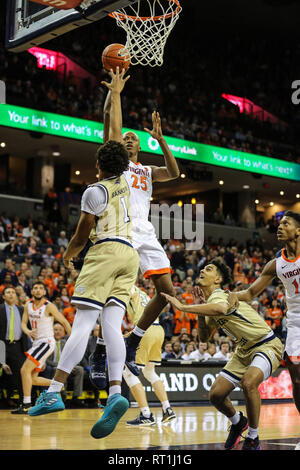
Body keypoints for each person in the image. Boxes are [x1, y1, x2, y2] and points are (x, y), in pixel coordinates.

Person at [28, 139, 139, 441]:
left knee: (84, 324)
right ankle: (115, 391)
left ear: (99, 165)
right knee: (112, 326)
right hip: (130, 256)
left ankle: (54, 391)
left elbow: (82, 231)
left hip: (105, 251)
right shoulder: (127, 181)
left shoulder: (95, 190)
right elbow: (116, 142)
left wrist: (67, 255)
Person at [98, 68, 180, 375]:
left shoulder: (146, 171)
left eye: (134, 138)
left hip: (146, 230)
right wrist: (115, 94)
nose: (129, 139)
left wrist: (162, 141)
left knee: (167, 292)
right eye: (126, 137)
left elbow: (173, 173)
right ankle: (103, 348)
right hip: (122, 229)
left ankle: (135, 339)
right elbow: (114, 129)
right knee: (115, 290)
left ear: (140, 147)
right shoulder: (116, 162)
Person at [162, 257, 283, 450]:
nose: (202, 271)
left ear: (218, 279)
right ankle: (237, 423)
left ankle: (253, 437)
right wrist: (201, 312)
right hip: (243, 351)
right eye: (202, 269)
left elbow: (221, 308)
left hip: (266, 344)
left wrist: (184, 307)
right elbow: (203, 338)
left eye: (208, 269)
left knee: (249, 383)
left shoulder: (219, 295)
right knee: (216, 395)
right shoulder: (209, 302)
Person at [228, 211, 300, 430]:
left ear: (298, 230)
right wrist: (226, 295)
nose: (280, 227)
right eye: (279, 224)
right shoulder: (276, 263)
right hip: (296, 322)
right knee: (297, 378)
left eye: (285, 223)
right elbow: (250, 294)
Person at [11, 282, 71, 414]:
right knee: (32, 379)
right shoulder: (28, 304)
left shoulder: (49, 306)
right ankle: (58, 385)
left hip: (46, 342)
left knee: (24, 370)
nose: (38, 290)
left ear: (44, 292)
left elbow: (64, 322)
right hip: (37, 343)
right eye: (35, 288)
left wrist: (73, 340)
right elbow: (23, 324)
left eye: (41, 288)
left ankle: (26, 404)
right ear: (31, 291)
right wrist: (28, 332)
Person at [122, 286, 176, 426]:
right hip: (157, 329)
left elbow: (131, 293)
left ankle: (146, 414)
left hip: (144, 329)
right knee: (149, 371)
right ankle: (167, 409)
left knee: (129, 373)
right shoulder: (144, 293)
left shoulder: (127, 286)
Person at [44, 322, 84, 407]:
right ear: (51, 331)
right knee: (58, 370)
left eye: (60, 330)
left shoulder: (66, 342)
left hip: (67, 365)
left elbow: (72, 357)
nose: (57, 332)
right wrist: (61, 366)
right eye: (55, 330)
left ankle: (76, 397)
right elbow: (46, 360)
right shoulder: (48, 343)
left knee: (79, 369)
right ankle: (63, 395)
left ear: (63, 332)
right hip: (55, 366)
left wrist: (70, 365)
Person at [0, 287, 28, 407]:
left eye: (13, 292)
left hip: (18, 346)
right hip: (2, 345)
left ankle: (24, 403)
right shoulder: (0, 309)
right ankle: (4, 399)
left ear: (16, 296)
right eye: (8, 292)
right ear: (3, 296)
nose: (11, 294)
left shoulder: (22, 310)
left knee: (22, 373)